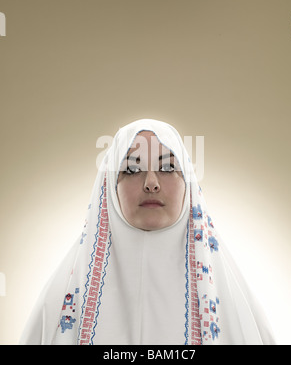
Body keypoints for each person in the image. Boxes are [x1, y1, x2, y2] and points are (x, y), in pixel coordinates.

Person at [20, 118, 275, 345]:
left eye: (166, 168)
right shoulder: (57, 304)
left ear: (187, 182)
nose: (151, 183)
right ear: (109, 187)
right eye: (131, 170)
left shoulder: (236, 305)